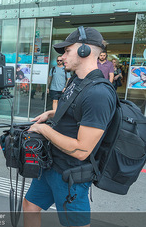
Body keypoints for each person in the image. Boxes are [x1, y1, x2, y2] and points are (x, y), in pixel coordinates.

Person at [22, 27, 117, 227]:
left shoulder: (99, 94)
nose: (63, 56)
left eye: (67, 51)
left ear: (85, 51)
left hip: (71, 175)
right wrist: (50, 114)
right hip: (51, 164)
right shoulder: (77, 80)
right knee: (30, 206)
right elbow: (74, 107)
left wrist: (43, 130)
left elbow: (82, 150)